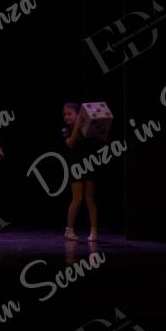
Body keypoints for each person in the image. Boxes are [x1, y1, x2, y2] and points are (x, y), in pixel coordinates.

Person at [61, 103, 104, 242]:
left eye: (69, 114)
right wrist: (77, 127)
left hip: (90, 164)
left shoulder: (88, 128)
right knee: (77, 198)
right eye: (64, 115)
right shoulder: (65, 129)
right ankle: (69, 230)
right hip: (76, 166)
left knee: (90, 199)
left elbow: (103, 138)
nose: (66, 117)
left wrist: (99, 129)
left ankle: (94, 231)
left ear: (78, 114)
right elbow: (70, 143)